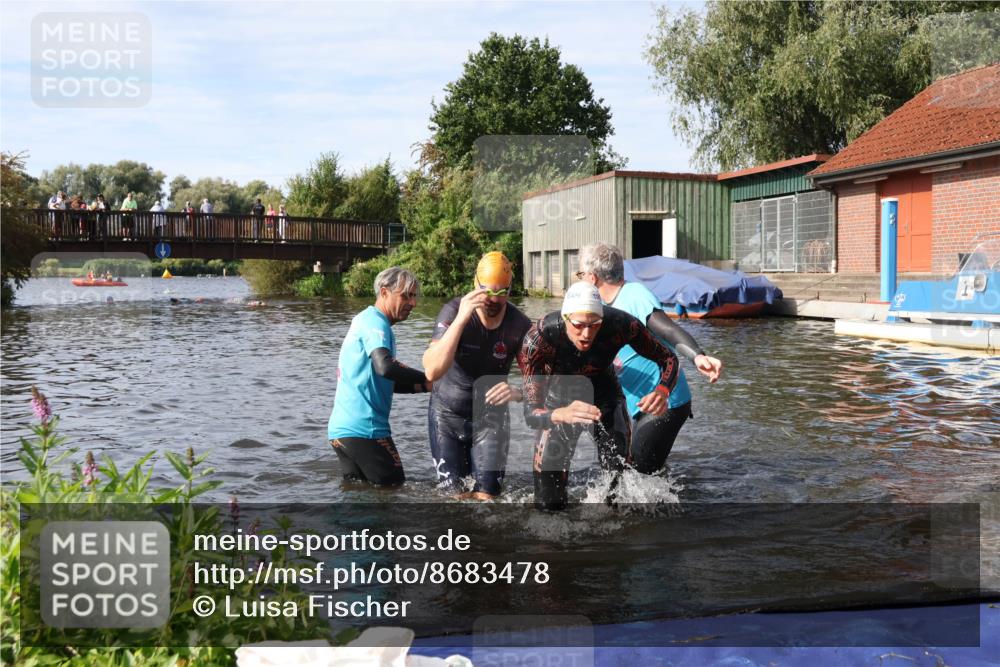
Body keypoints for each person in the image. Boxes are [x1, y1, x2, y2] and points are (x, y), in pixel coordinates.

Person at [517, 282, 680, 511]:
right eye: (579, 325)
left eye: (594, 325)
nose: (586, 334)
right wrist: (561, 413)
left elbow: (669, 358)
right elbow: (531, 414)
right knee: (547, 503)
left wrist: (663, 391)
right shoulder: (539, 339)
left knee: (618, 486)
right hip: (558, 403)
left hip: (604, 395)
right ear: (565, 318)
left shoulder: (622, 325)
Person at [577, 244, 723, 474]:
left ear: (592, 277)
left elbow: (669, 330)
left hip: (666, 401)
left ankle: (663, 506)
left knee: (638, 472)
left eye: (580, 275)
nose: (579, 280)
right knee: (626, 467)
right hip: (637, 404)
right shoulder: (599, 306)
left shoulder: (635, 296)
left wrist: (698, 357)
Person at [422, 252, 531, 500]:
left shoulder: (519, 325)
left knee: (488, 498)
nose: (493, 299)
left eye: (501, 293)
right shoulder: (453, 311)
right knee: (455, 498)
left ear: (510, 290)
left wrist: (517, 392)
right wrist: (461, 319)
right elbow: (432, 370)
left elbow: (541, 381)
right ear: (475, 286)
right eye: (487, 292)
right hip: (447, 416)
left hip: (491, 420)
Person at [328, 267, 432, 486]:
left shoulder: (367, 321)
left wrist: (425, 386)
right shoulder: (375, 322)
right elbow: (385, 367)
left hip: (342, 431)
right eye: (405, 295)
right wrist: (428, 377)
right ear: (384, 293)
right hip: (366, 430)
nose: (412, 303)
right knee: (393, 492)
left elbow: (384, 382)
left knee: (360, 499)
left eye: (414, 296)